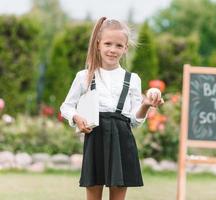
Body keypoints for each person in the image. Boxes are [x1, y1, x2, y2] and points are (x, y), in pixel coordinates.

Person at [60, 17, 163, 200]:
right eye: (108, 44)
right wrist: (76, 117)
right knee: (93, 192)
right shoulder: (84, 76)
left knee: (118, 194)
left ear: (125, 49)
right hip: (95, 137)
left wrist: (146, 105)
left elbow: (134, 120)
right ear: (98, 44)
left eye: (118, 45)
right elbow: (66, 107)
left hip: (122, 139)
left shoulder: (132, 79)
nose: (113, 50)